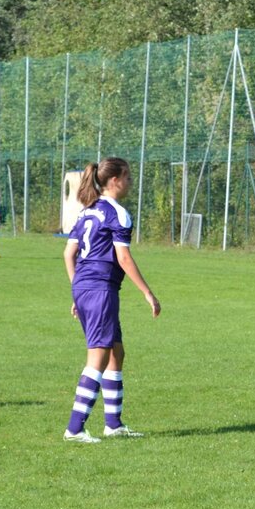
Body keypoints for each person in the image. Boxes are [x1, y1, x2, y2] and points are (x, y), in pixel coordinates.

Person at [62, 158, 161, 443]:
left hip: (86, 287)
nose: (130, 182)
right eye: (127, 177)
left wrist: (78, 290)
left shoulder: (87, 212)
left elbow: (69, 254)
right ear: (115, 180)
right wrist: (147, 292)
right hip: (101, 289)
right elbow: (124, 258)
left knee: (117, 353)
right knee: (98, 357)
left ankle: (113, 425)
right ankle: (75, 429)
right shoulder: (118, 213)